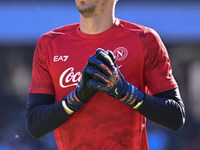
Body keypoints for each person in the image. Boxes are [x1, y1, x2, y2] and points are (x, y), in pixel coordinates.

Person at [26, 0, 186, 149]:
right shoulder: (50, 44)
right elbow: (35, 125)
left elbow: (175, 117)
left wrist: (126, 92)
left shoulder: (144, 39)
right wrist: (75, 99)